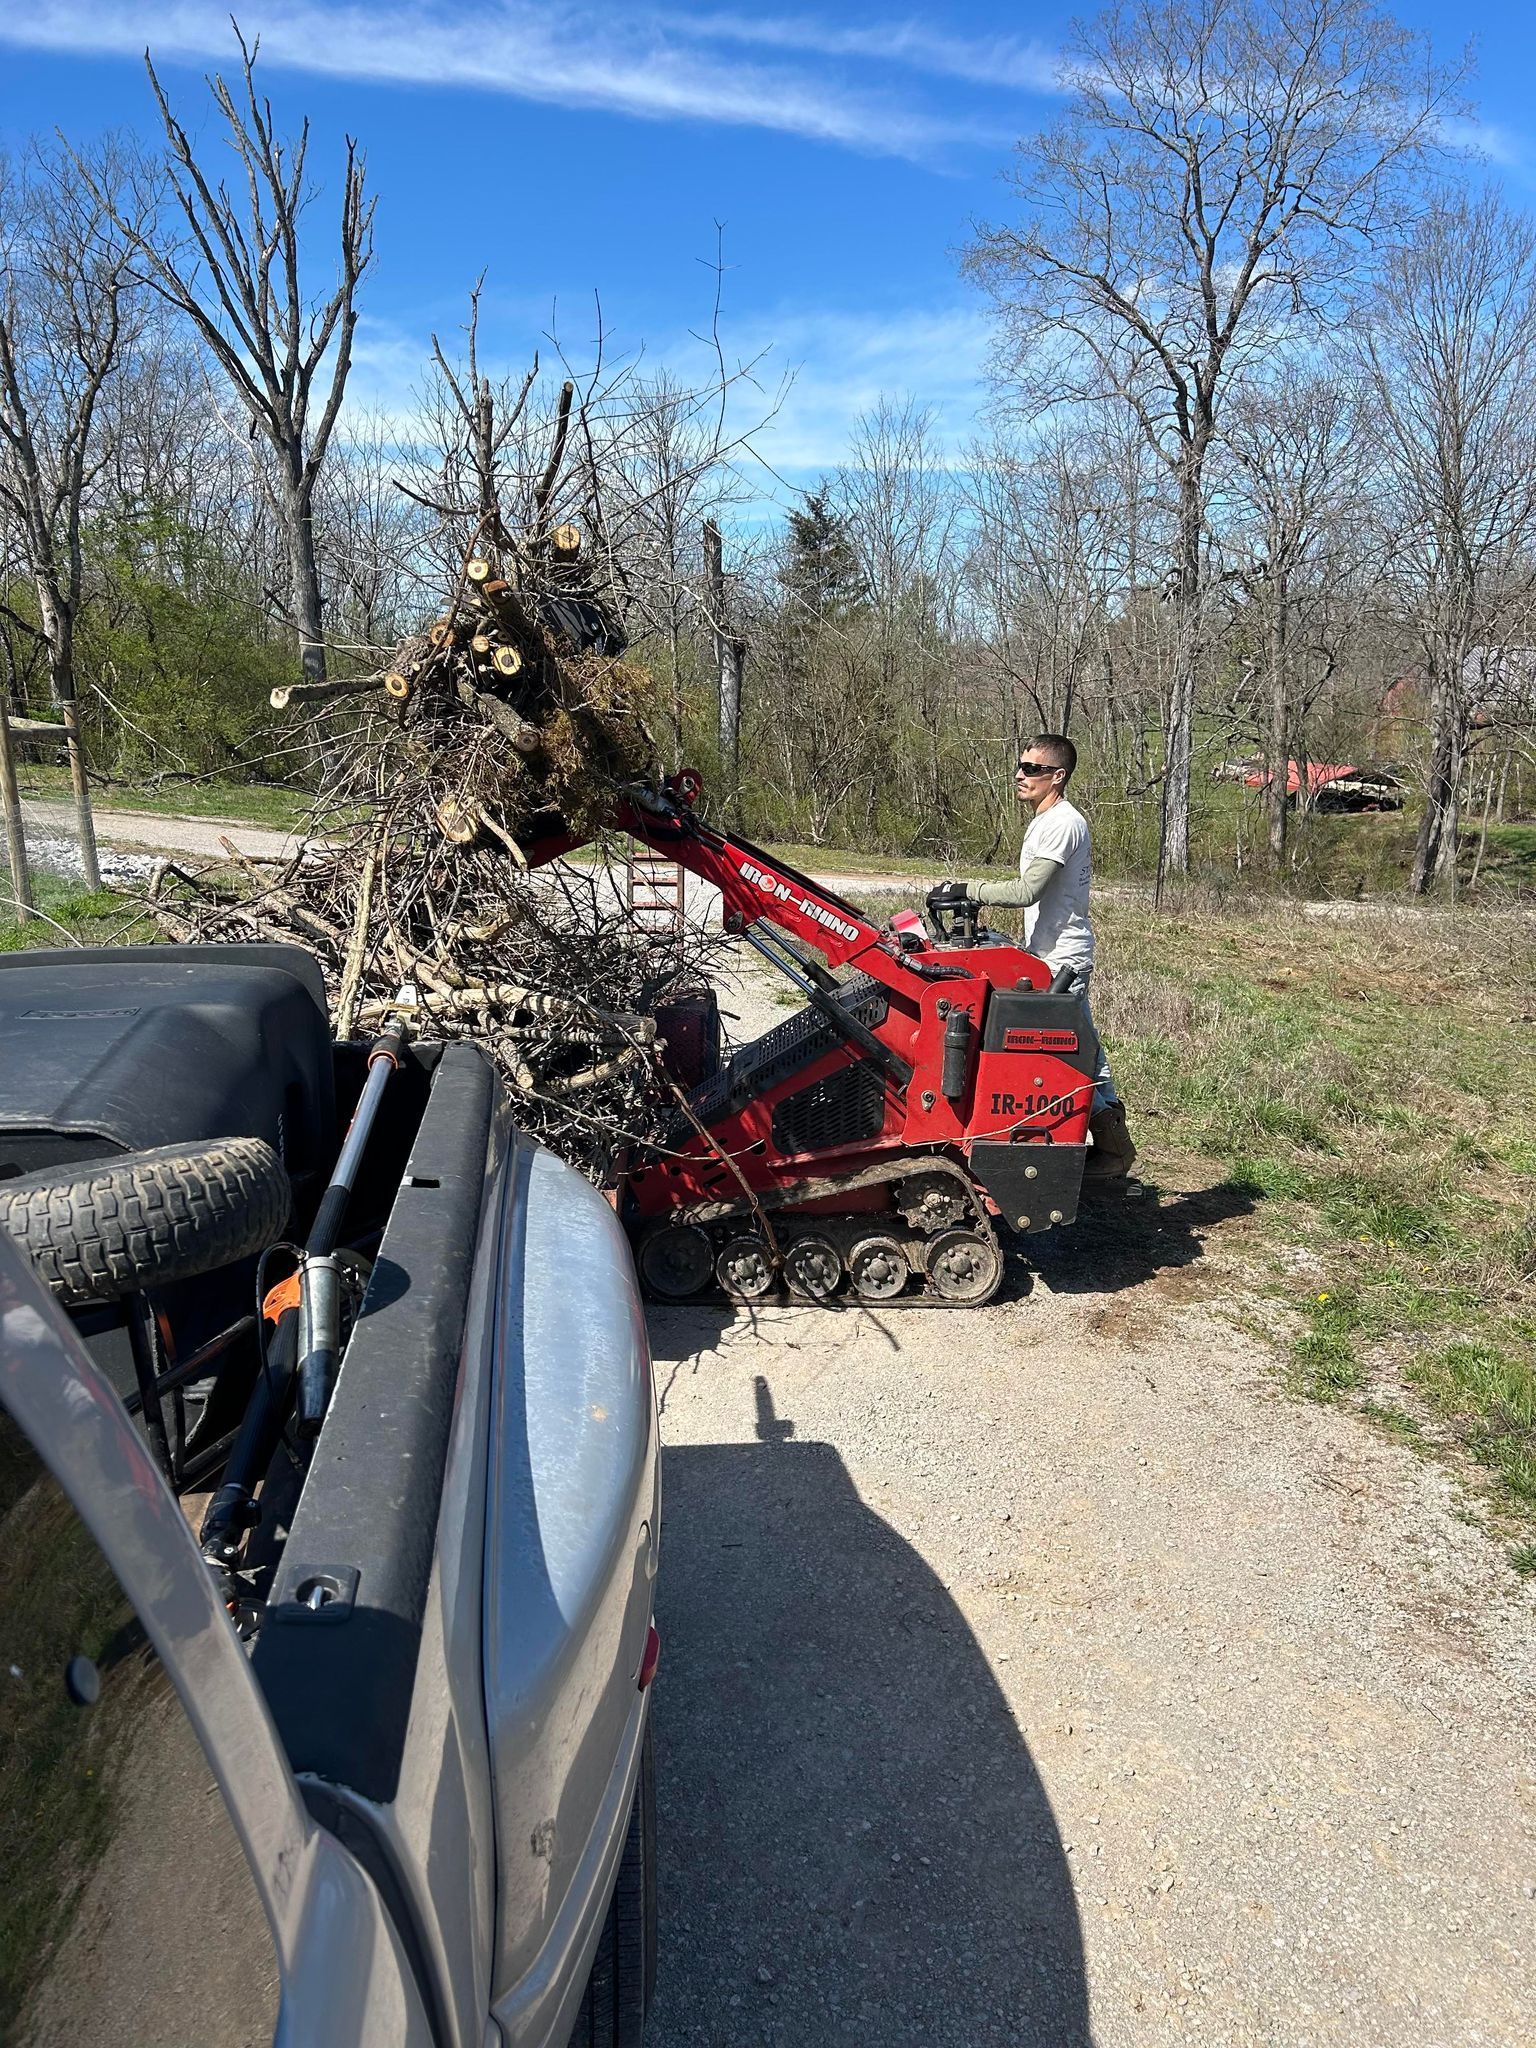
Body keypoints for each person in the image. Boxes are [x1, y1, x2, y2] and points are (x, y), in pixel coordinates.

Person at [950, 733, 1136, 1182]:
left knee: (1067, 1053)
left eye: (1032, 769)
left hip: (1062, 959)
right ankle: (1109, 1145)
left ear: (1058, 775)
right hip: (1047, 953)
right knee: (1079, 1046)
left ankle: (1109, 1148)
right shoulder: (1046, 819)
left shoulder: (1063, 823)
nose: (1020, 774)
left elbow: (1027, 890)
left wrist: (967, 891)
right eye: (1019, 766)